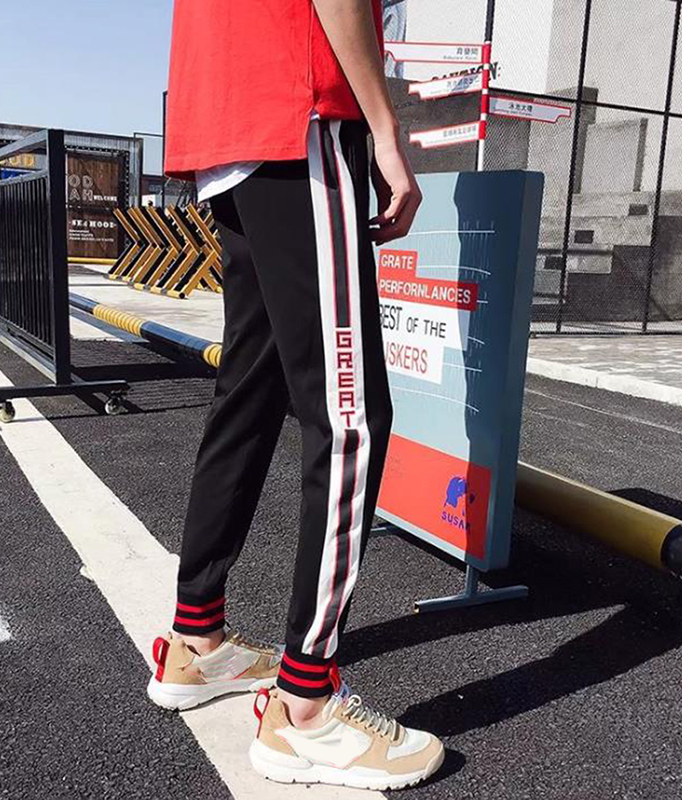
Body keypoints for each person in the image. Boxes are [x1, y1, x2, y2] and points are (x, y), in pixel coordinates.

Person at [148, 0, 444, 790]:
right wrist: (384, 129)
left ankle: (196, 641)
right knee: (352, 421)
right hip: (299, 110)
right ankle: (306, 707)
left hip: (227, 124)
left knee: (251, 388)